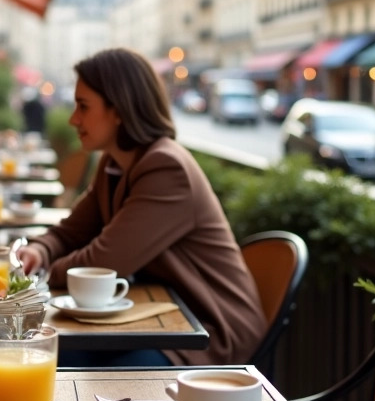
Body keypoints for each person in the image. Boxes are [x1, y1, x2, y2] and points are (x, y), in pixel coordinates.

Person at [17, 48, 266, 368]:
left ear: (119, 109)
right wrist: (38, 250)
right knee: (48, 351)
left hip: (207, 333)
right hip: (157, 320)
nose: (73, 119)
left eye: (83, 106)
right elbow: (71, 231)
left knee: (55, 357)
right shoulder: (114, 162)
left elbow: (102, 263)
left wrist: (32, 281)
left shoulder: (166, 168)